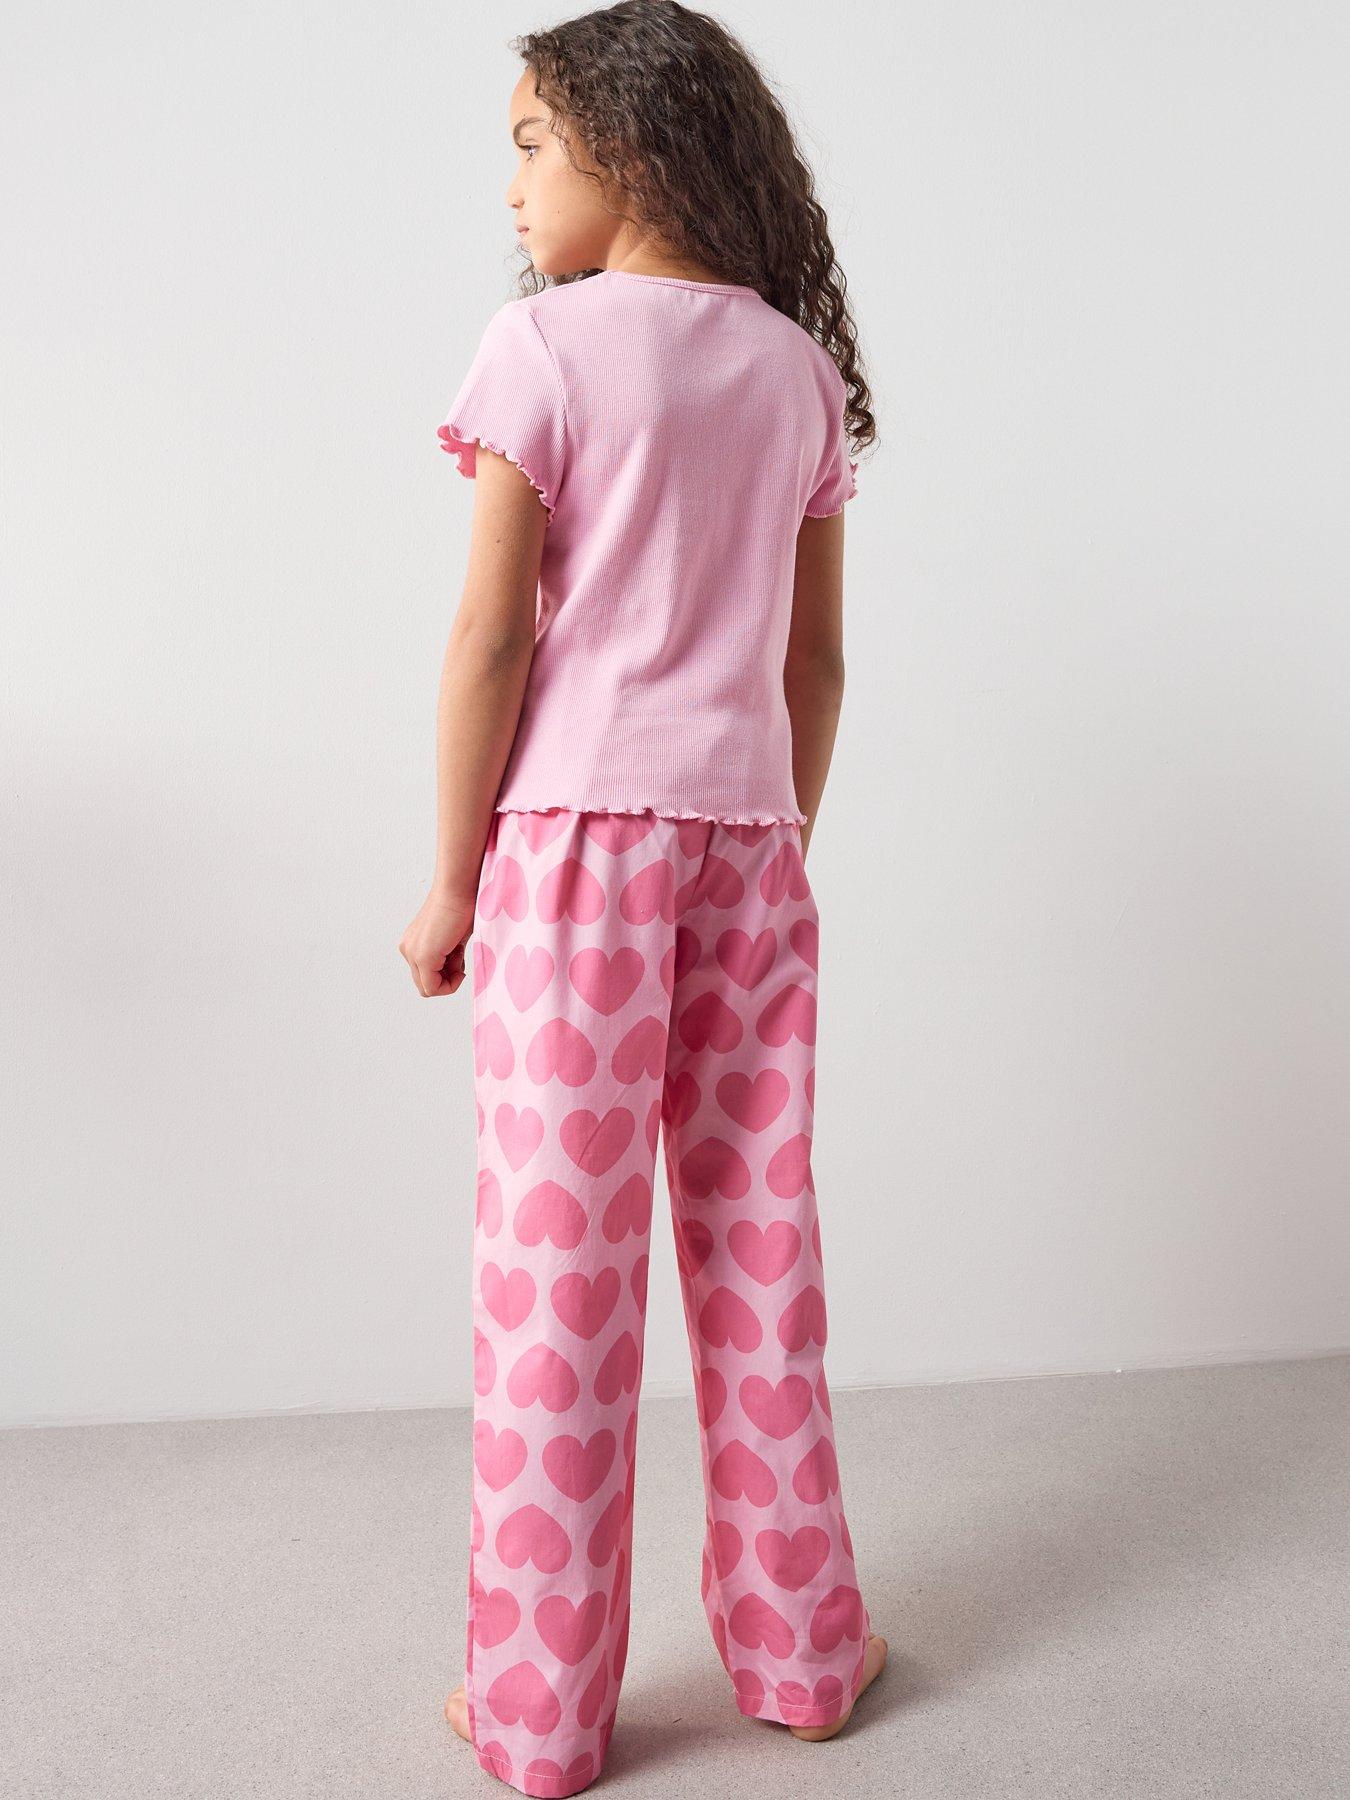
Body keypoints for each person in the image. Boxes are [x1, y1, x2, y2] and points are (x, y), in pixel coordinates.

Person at [398, 3, 886, 1793]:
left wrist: (452, 883)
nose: (512, 186)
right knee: (761, 1257)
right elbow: (813, 665)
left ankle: (539, 1712)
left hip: (574, 860)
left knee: (558, 1277)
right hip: (747, 851)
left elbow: (488, 644)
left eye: (532, 142)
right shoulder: (795, 373)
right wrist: (773, 835)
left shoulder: (539, 348)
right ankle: (803, 1654)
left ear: (626, 144)